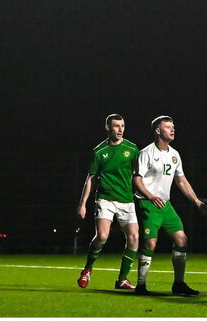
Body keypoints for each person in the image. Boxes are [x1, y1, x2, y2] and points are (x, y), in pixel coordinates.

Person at [132, 115, 207, 296]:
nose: (173, 130)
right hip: (148, 203)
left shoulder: (174, 154)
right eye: (168, 127)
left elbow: (181, 181)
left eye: (173, 127)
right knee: (150, 243)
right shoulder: (146, 153)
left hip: (165, 205)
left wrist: (197, 201)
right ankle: (141, 286)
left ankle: (179, 284)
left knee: (182, 239)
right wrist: (150, 196)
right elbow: (136, 179)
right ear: (158, 131)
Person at [76, 113, 140, 291]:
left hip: (127, 200)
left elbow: (139, 174)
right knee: (102, 236)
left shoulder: (132, 149)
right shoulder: (99, 151)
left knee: (134, 238)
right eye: (116, 126)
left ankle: (122, 279)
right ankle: (87, 269)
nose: (120, 129)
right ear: (107, 127)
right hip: (105, 199)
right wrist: (83, 204)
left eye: (123, 126)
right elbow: (90, 178)